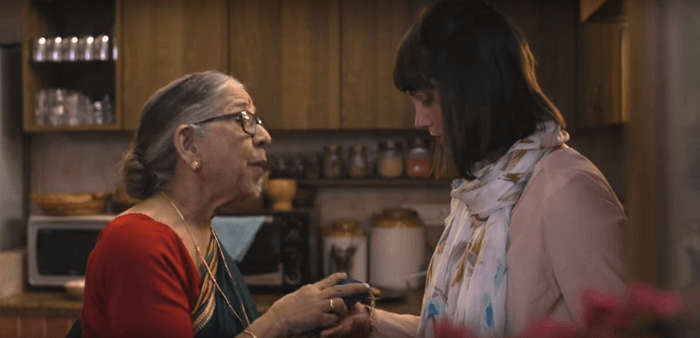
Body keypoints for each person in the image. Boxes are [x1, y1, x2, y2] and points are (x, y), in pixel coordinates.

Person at [324, 0, 627, 337]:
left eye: (427, 99)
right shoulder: (484, 191)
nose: (419, 120)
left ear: (477, 91)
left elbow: (629, 330)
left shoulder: (569, 191)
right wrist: (374, 321)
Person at [79, 71, 369, 338]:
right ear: (189, 144)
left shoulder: (201, 231)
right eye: (244, 119)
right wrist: (279, 320)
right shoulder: (138, 244)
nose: (265, 137)